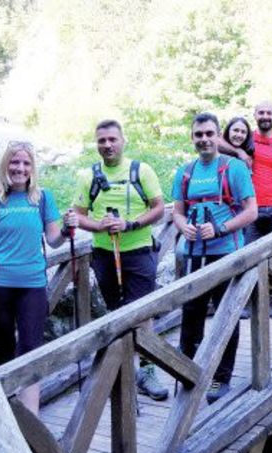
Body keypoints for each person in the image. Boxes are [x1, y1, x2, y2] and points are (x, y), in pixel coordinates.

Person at [66, 119, 168, 401]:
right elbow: (78, 215)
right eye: (102, 141)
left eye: (112, 139)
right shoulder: (88, 176)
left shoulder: (141, 171)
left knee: (141, 312)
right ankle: (123, 369)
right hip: (105, 253)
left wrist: (130, 224)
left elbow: (159, 208)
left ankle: (146, 369)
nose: (107, 145)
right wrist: (98, 226)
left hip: (138, 250)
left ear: (123, 140)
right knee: (115, 311)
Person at [0, 142, 68, 415]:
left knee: (31, 348)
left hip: (32, 283)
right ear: (5, 166)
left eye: (25, 163)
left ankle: (30, 416)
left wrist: (68, 231)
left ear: (32, 168)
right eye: (14, 163)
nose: (20, 168)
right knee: (2, 348)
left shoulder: (43, 198)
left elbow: (54, 240)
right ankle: (5, 411)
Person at [172, 112, 257, 403]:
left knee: (225, 315)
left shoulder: (234, 168)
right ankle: (189, 372)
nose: (204, 139)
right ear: (192, 137)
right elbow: (177, 210)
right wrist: (183, 227)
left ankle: (221, 378)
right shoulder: (185, 171)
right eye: (199, 135)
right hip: (193, 254)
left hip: (226, 253)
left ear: (218, 136)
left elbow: (251, 211)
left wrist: (219, 228)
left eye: (209, 134)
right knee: (191, 313)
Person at [220, 100, 272, 320]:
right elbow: (216, 140)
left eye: (268, 112)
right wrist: (239, 152)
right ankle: (244, 301)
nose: (265, 116)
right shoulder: (245, 136)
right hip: (249, 207)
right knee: (246, 255)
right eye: (260, 112)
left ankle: (270, 301)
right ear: (255, 114)